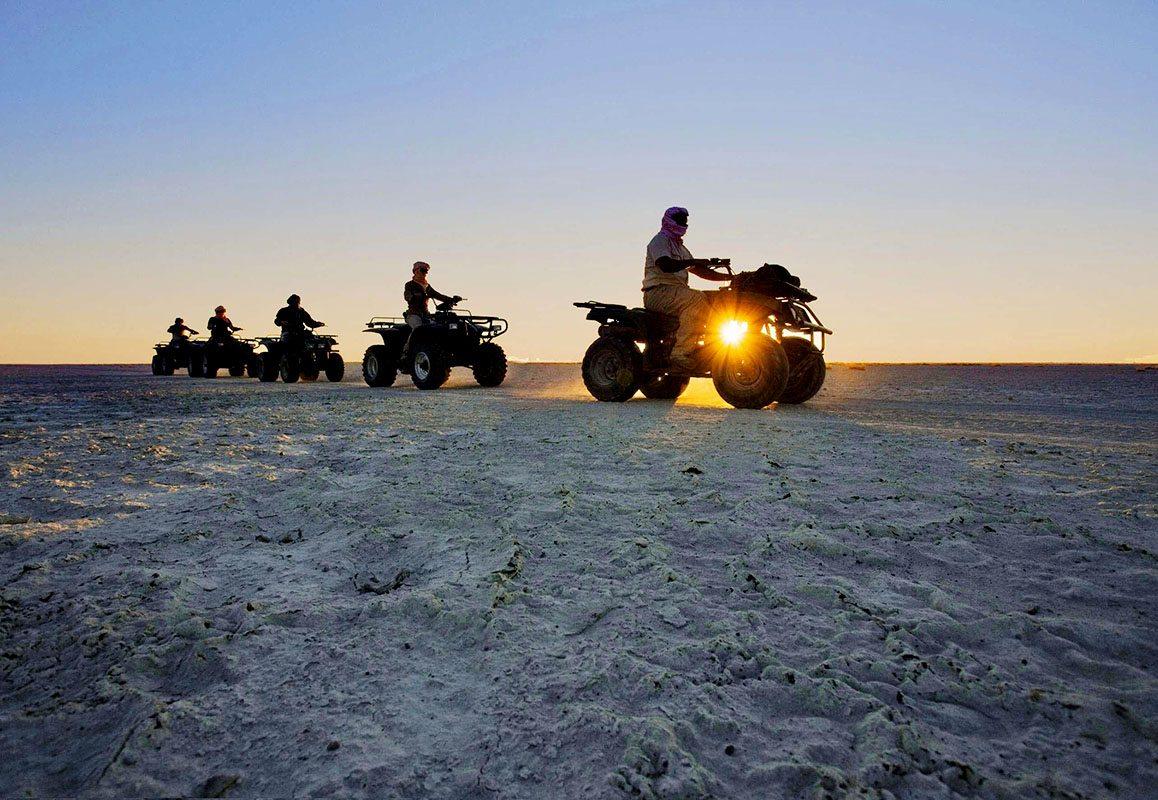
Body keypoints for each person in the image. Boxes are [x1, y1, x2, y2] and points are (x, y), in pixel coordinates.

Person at [641, 207, 730, 372]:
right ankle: (680, 354)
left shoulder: (681, 248)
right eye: (680, 220)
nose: (684, 224)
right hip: (658, 292)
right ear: (670, 221)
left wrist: (731, 278)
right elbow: (665, 265)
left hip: (676, 293)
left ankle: (711, 348)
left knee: (717, 299)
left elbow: (700, 270)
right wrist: (693, 261)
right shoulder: (659, 241)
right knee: (697, 299)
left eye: (685, 221)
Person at [401, 262, 460, 359]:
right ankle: (406, 352)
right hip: (413, 315)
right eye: (423, 270)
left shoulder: (427, 286)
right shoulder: (410, 284)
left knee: (438, 327)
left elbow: (438, 295)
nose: (425, 273)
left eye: (426, 271)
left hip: (426, 315)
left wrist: (451, 300)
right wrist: (412, 296)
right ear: (415, 271)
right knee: (418, 328)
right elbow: (407, 295)